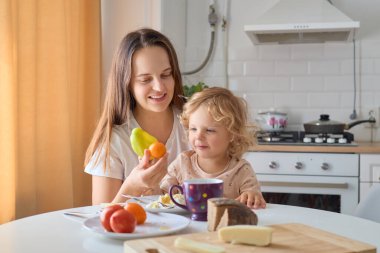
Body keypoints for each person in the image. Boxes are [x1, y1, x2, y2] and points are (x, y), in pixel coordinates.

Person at [84, 28, 189, 204]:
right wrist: (133, 185)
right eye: (145, 79)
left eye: (166, 74)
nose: (160, 87)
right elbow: (100, 219)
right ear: (127, 84)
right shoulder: (114, 142)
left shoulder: (192, 126)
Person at [160, 87, 266, 209]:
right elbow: (161, 194)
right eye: (193, 129)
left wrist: (252, 195)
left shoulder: (241, 170)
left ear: (232, 134)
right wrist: (157, 186)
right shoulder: (183, 162)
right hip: (189, 226)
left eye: (209, 130)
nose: (198, 136)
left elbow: (255, 198)